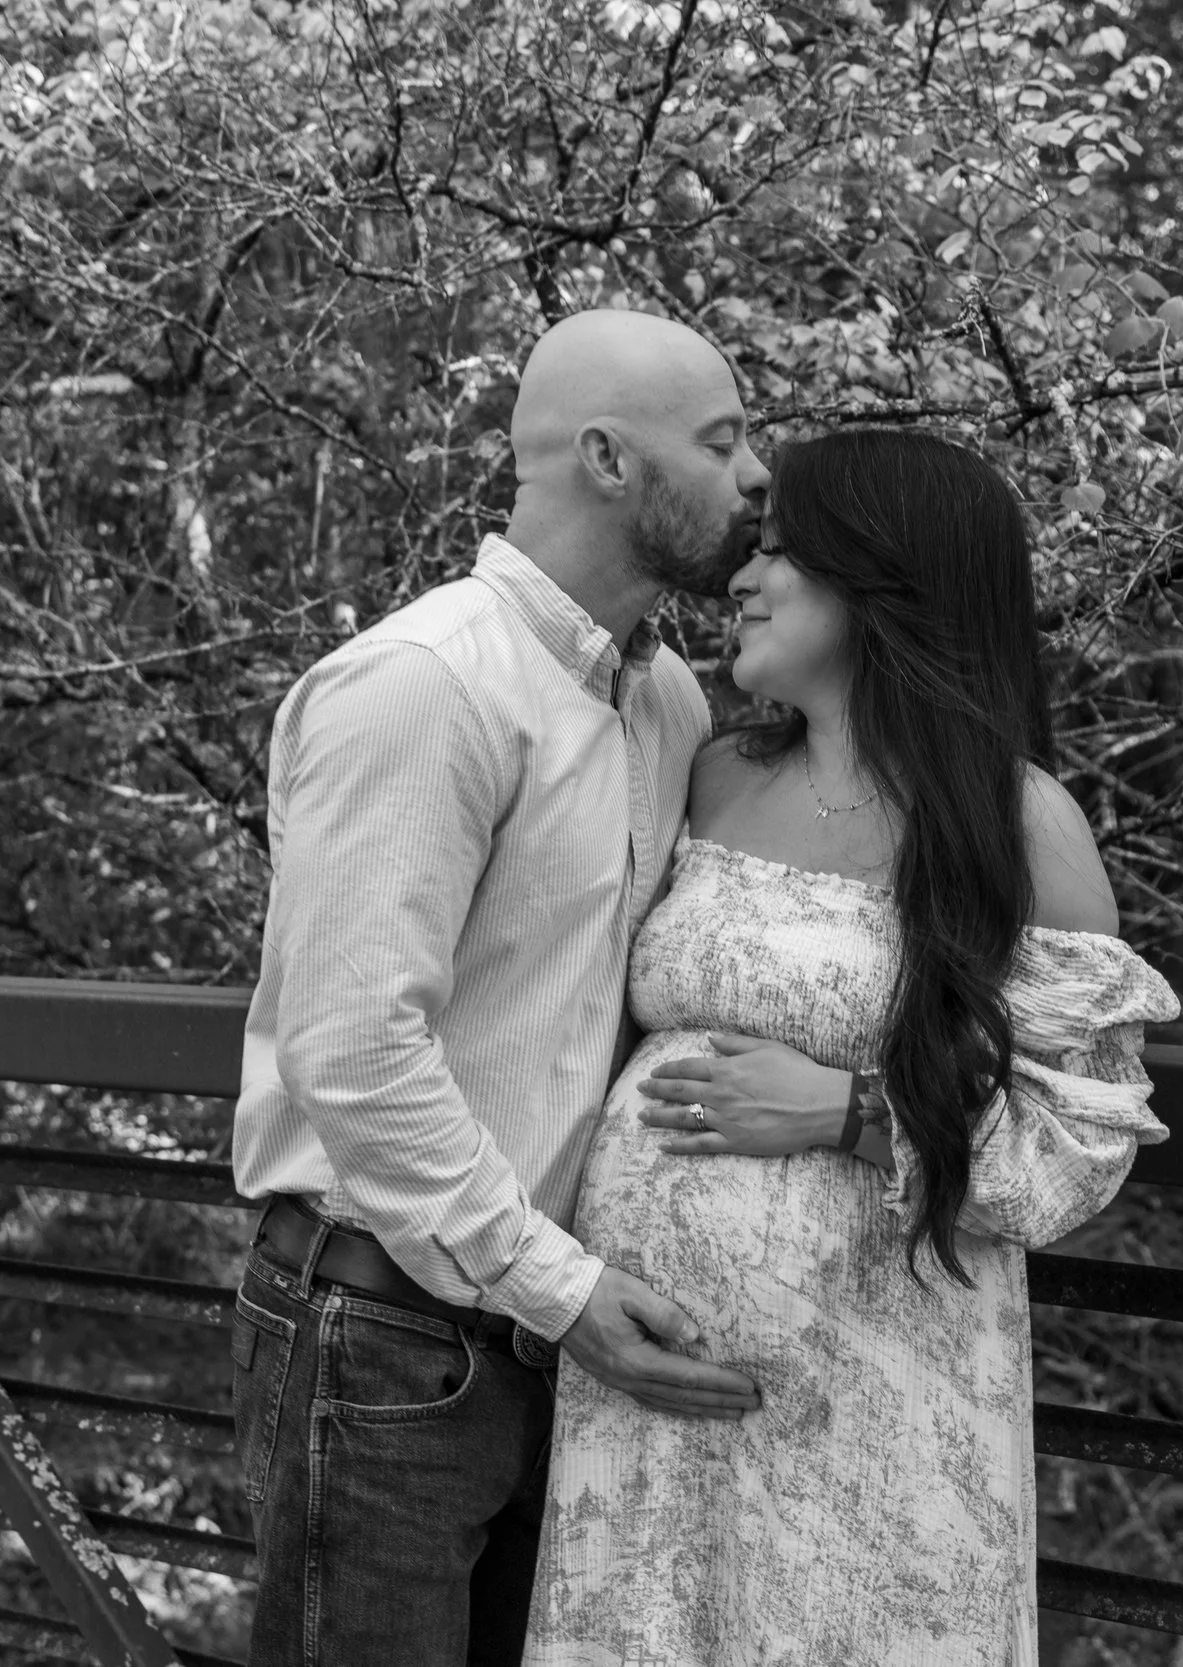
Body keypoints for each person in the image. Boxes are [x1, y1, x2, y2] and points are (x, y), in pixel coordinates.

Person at [524, 429, 1181, 1665]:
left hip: (879, 1400)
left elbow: (1077, 1142)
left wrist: (845, 1109)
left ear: (884, 581)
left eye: (780, 554)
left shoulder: (1015, 822)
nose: (742, 578)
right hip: (649, 1390)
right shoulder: (713, 774)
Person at [229, 308, 774, 1667]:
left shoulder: (670, 707)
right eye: (723, 441)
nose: (760, 473)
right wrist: (563, 1286)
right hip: (382, 1336)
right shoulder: (425, 687)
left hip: (550, 1336)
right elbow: (352, 1052)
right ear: (607, 457)